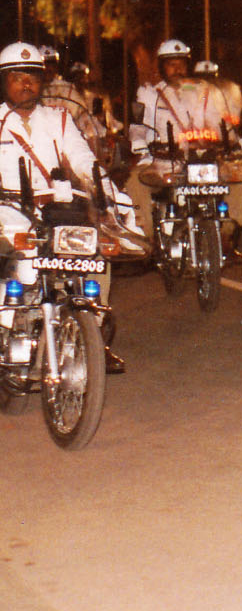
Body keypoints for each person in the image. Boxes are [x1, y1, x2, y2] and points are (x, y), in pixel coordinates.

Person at [0, 42, 131, 372]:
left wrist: (109, 195)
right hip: (7, 211)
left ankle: (92, 337)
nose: (26, 84)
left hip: (55, 209)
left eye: (32, 77)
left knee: (95, 253)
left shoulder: (59, 119)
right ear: (4, 82)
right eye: (17, 77)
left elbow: (85, 161)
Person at [128, 39, 242, 243]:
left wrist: (237, 140)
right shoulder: (150, 94)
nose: (177, 69)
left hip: (202, 157)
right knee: (136, 180)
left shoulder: (202, 91)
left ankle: (229, 228)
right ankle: (145, 237)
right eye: (171, 64)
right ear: (161, 67)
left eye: (181, 63)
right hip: (163, 160)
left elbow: (220, 121)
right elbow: (138, 126)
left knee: (238, 174)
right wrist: (139, 142)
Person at [193, 58, 242, 260]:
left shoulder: (229, 92)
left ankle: (230, 230)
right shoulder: (186, 94)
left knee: (239, 179)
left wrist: (238, 138)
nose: (207, 82)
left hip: (223, 149)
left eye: (210, 78)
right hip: (191, 151)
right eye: (202, 78)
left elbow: (237, 121)